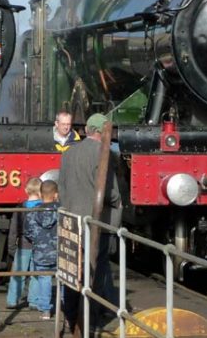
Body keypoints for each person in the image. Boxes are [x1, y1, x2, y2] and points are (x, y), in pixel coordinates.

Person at [57, 113, 122, 334]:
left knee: (72, 270)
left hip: (71, 220)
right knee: (95, 271)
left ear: (87, 130)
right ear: (104, 132)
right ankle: (90, 320)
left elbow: (62, 187)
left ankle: (70, 315)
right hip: (95, 222)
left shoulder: (69, 152)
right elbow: (110, 192)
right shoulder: (104, 154)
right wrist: (118, 202)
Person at [24, 180, 60, 321]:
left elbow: (28, 232)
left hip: (40, 252)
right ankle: (65, 305)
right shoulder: (62, 211)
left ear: (40, 194)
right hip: (60, 252)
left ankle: (45, 310)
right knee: (63, 279)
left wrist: (37, 241)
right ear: (56, 195)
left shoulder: (33, 212)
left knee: (44, 280)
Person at [7, 177, 43, 310]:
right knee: (36, 274)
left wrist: (11, 246)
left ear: (26, 190)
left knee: (18, 273)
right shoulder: (44, 209)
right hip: (39, 246)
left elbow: (13, 230)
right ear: (41, 192)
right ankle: (34, 301)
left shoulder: (20, 208)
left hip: (23, 245)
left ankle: (12, 300)